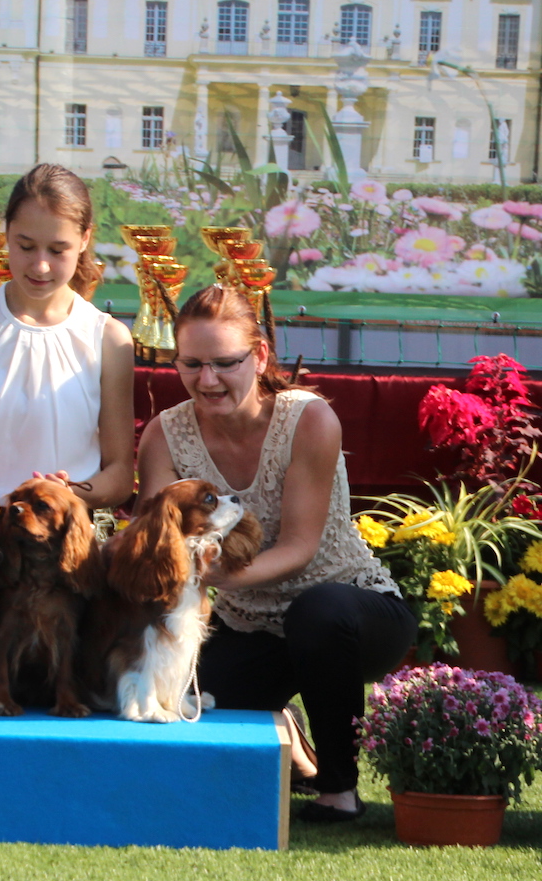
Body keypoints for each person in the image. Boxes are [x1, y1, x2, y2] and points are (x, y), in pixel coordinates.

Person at [135, 284, 416, 822]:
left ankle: (339, 788)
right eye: (191, 364)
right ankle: (287, 733)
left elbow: (298, 548)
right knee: (184, 702)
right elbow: (155, 542)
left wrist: (210, 576)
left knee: (319, 612)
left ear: (259, 355)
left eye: (225, 363)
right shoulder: (164, 435)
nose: (207, 379)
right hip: (250, 628)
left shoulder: (308, 419)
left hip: (353, 613)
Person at [0, 163, 134, 510]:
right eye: (26, 246)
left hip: (62, 543)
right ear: (7, 233)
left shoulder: (109, 338)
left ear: (84, 239)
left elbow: (121, 473)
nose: (40, 266)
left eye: (57, 249)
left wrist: (63, 496)